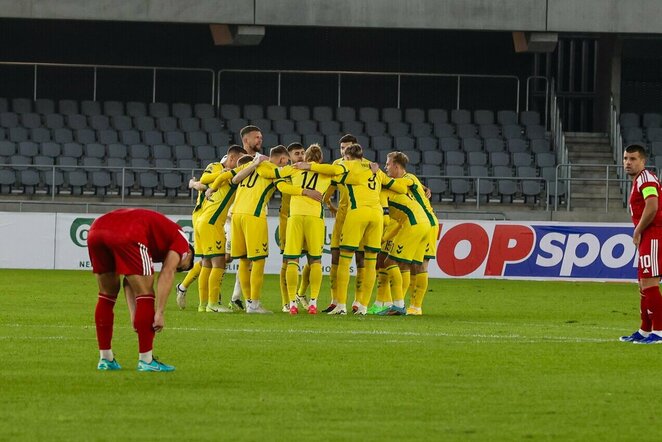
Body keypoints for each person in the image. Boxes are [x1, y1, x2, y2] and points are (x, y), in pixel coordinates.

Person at [89, 208, 194, 372]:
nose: (179, 267)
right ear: (188, 255)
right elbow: (167, 273)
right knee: (146, 292)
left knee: (106, 295)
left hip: (96, 229)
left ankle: (106, 359)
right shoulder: (182, 239)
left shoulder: (159, 239)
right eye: (183, 266)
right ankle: (146, 360)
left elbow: (129, 281)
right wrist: (159, 313)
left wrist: (134, 315)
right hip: (130, 232)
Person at [316, 143, 407, 315]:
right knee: (371, 261)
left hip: (357, 213)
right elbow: (401, 188)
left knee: (345, 259)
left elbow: (328, 173)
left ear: (348, 157)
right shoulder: (375, 169)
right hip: (377, 215)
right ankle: (363, 306)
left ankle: (341, 306)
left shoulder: (346, 165)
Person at [175, 145, 247, 310]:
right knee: (219, 262)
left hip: (205, 221)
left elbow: (202, 185)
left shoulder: (225, 176)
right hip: (211, 222)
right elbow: (204, 181)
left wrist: (195, 184)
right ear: (231, 159)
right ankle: (213, 303)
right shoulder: (222, 171)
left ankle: (203, 304)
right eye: (240, 161)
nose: (242, 165)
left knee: (207, 262)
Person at [284, 144, 344, 314]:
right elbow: (339, 170)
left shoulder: (294, 169)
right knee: (315, 261)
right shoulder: (326, 172)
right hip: (314, 218)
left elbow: (281, 186)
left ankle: (292, 303)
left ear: (306, 157)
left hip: (295, 216)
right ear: (321, 159)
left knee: (292, 260)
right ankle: (313, 302)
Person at [378, 152, 432, 316]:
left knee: (390, 261)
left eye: (387, 164)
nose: (386, 167)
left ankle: (399, 305)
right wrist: (385, 238)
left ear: (395, 165)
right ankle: (412, 306)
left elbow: (387, 219)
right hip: (425, 223)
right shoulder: (406, 183)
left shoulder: (385, 191)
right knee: (413, 265)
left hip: (414, 224)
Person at [620, 143, 662, 344]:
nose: (628, 163)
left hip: (654, 234)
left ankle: (659, 331)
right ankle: (645, 330)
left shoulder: (646, 179)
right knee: (643, 284)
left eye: (633, 159)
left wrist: (637, 231)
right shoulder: (639, 180)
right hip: (648, 235)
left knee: (650, 283)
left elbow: (652, 206)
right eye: (626, 158)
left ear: (643, 161)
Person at [322, 134, 368, 313]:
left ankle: (358, 301)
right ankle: (335, 301)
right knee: (335, 256)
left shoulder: (366, 165)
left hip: (359, 215)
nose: (343, 151)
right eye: (341, 148)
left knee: (360, 258)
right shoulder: (337, 165)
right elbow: (328, 187)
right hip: (342, 216)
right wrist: (327, 204)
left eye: (347, 148)